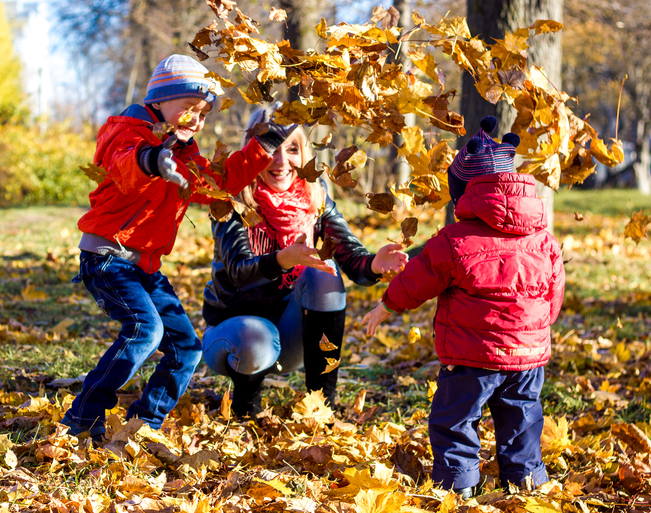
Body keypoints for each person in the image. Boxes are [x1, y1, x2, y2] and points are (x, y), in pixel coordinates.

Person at [61, 55, 297, 440]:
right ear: (159, 101)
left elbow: (218, 183)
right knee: (145, 330)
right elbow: (124, 165)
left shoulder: (186, 154)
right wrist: (153, 159)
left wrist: (266, 143)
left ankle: (144, 423)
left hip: (146, 269)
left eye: (203, 113)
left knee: (187, 347)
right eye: (188, 108)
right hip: (107, 257)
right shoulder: (126, 131)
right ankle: (82, 417)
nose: (196, 120)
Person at [362, 116, 565, 499]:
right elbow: (552, 297)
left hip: (472, 357)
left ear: (464, 194)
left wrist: (384, 307)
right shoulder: (545, 240)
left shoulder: (454, 240)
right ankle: (525, 486)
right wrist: (535, 328)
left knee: (455, 420)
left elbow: (415, 282)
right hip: (528, 355)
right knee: (521, 419)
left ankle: (458, 489)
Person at [201, 106, 408, 418]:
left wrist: (373, 266)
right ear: (252, 152)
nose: (282, 161)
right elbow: (239, 273)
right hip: (234, 332)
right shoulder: (229, 199)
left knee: (326, 271)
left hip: (293, 333)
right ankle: (245, 408)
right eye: (271, 149)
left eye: (293, 149)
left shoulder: (315, 197)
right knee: (254, 338)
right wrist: (283, 260)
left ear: (305, 154)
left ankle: (320, 408)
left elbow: (350, 257)